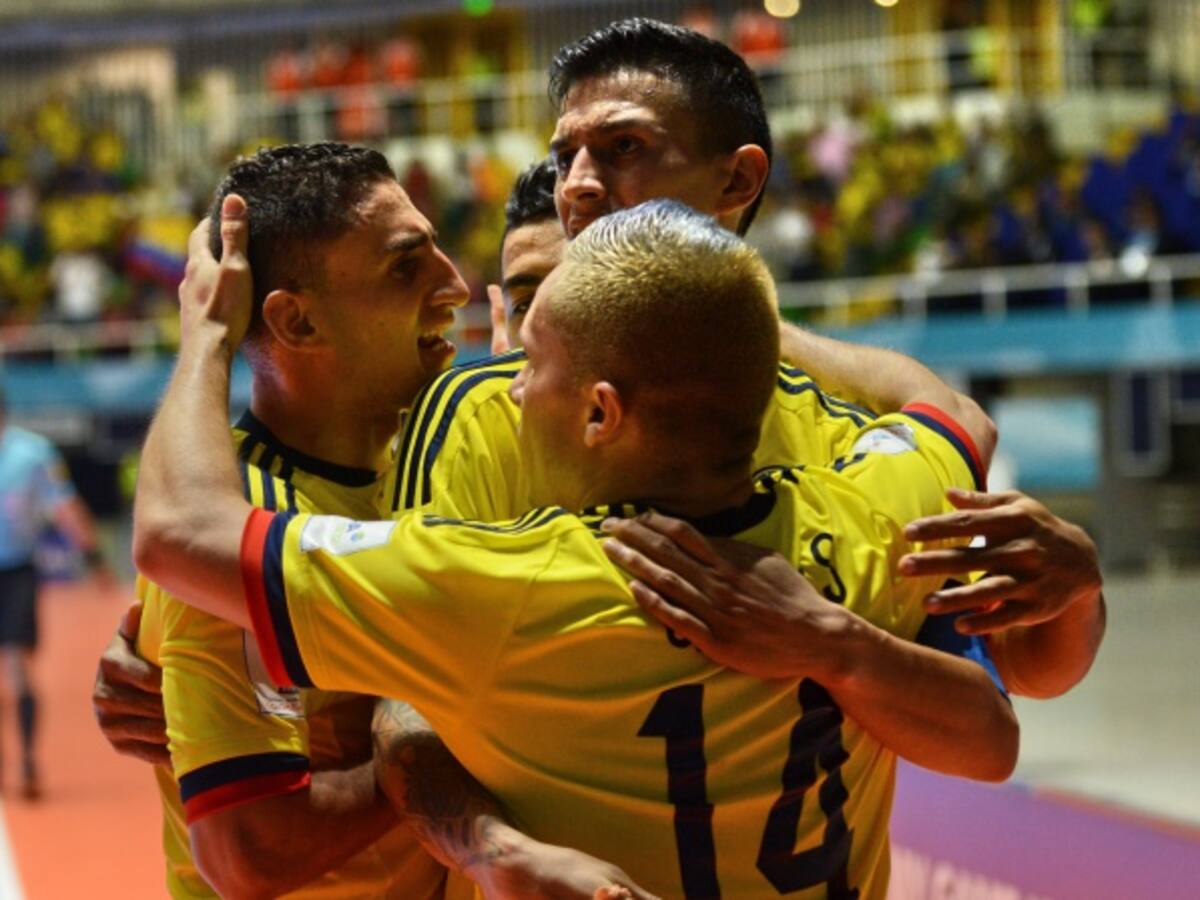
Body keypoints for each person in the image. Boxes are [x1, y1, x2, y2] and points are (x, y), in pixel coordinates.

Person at [132, 199, 1018, 899]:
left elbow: (180, 533)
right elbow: (950, 416)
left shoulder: (512, 584)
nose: (511, 389)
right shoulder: (872, 516)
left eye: (534, 364)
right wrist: (721, 314)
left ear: (600, 411)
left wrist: (206, 333)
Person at [111, 143, 650, 900]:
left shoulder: (441, 455)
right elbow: (249, 851)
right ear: (295, 322)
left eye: (437, 252)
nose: (453, 285)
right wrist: (461, 739)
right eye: (406, 267)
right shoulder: (236, 527)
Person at [0, 385, 109, 799]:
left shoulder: (32, 455)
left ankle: (27, 760)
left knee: (16, 666)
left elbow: (64, 506)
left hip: (17, 571)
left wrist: (94, 557)